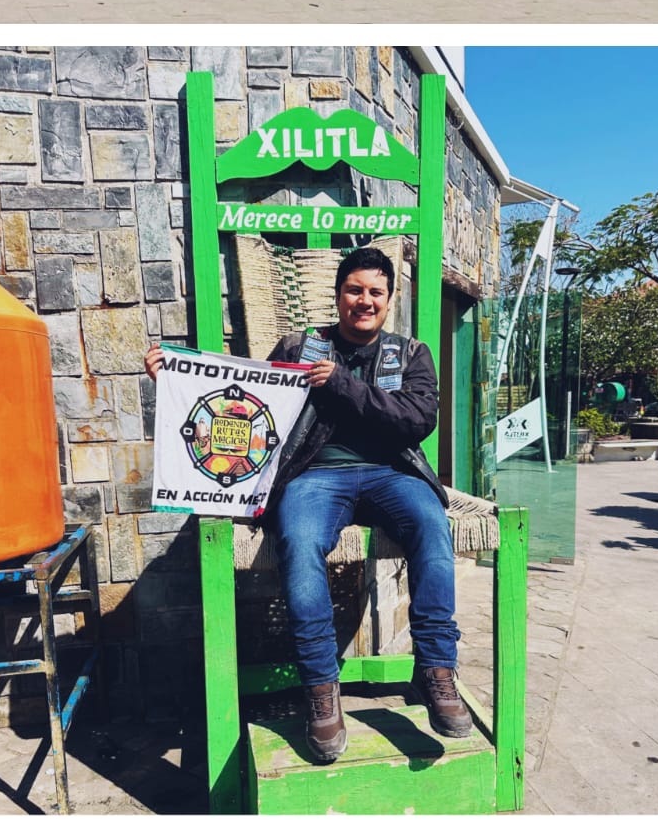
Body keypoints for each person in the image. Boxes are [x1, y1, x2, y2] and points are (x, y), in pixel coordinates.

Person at [145, 246, 466, 765]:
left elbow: (416, 421)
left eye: (375, 293)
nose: (365, 301)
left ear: (389, 300)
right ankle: (320, 685)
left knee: (432, 525)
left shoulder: (410, 354)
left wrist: (341, 384)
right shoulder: (300, 346)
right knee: (297, 540)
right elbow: (251, 399)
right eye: (354, 290)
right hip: (315, 477)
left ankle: (436, 670)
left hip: (392, 473)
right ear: (339, 295)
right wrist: (180, 378)